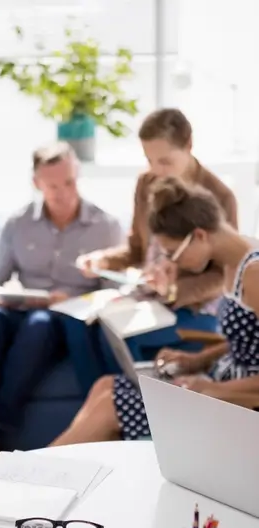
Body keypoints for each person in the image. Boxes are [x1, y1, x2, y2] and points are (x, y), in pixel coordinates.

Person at [52, 176, 259, 445]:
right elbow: (247, 343)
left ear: (199, 235)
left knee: (110, 407)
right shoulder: (234, 265)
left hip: (239, 403)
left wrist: (211, 390)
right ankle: (36, 470)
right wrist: (196, 360)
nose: (171, 263)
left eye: (172, 253)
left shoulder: (254, 275)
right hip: (219, 382)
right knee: (105, 386)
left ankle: (29, 474)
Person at [0, 143, 123, 460]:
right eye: (53, 186)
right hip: (23, 307)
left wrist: (74, 298)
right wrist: (4, 296)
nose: (63, 192)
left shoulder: (105, 226)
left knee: (39, 325)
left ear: (77, 175)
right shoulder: (18, 223)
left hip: (68, 316)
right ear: (36, 183)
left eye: (69, 182)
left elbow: (115, 293)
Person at [78, 108, 239, 364]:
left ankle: (130, 399)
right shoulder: (146, 184)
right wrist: (102, 261)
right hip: (148, 297)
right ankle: (111, 397)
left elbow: (225, 275)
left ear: (189, 145)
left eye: (165, 161)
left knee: (116, 335)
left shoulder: (219, 196)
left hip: (192, 305)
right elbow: (136, 250)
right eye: (149, 160)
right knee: (81, 325)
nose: (157, 171)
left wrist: (174, 289)